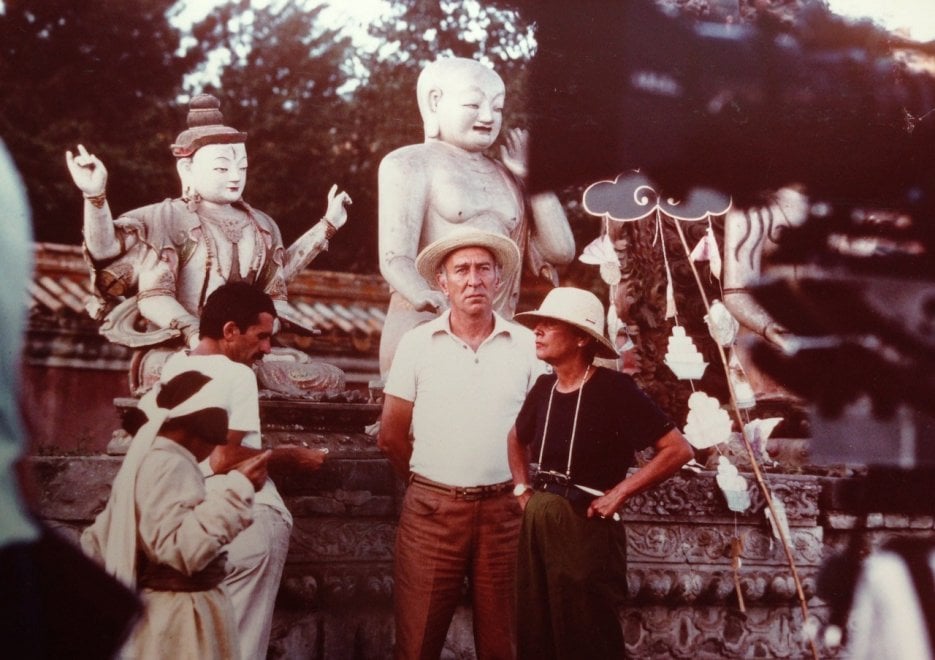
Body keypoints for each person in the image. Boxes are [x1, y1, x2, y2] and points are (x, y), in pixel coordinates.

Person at [65, 93, 352, 392]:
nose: (235, 177)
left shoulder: (263, 226)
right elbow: (110, 254)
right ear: (186, 169)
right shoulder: (166, 218)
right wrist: (95, 196)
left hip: (248, 352)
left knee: (329, 377)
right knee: (209, 372)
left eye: (242, 168)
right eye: (222, 168)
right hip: (182, 351)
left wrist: (326, 227)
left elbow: (274, 297)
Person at [377, 227, 546, 659]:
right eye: (462, 270)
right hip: (432, 515)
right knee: (417, 644)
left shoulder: (528, 346)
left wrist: (520, 492)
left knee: (504, 645)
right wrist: (434, 483)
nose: (474, 280)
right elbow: (391, 436)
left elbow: (544, 432)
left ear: (498, 279)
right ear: (443, 282)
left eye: (484, 269)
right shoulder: (417, 344)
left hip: (505, 516)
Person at [506, 287, 694, 660]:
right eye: (538, 324)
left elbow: (678, 449)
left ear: (581, 338)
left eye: (550, 324)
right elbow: (516, 437)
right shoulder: (544, 387)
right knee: (535, 631)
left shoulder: (614, 389)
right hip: (539, 519)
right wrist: (521, 489)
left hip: (586, 524)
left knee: (587, 634)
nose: (538, 331)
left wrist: (620, 492)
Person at [159, 281, 329, 660]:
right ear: (230, 331)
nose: (267, 349)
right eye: (261, 336)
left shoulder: (173, 367)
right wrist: (290, 456)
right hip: (242, 523)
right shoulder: (237, 374)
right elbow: (224, 457)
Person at [377, 56, 575, 376]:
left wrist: (533, 180)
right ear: (435, 102)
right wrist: (427, 297)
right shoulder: (409, 164)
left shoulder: (507, 177)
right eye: (473, 104)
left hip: (496, 326)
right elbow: (395, 257)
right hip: (429, 320)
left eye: (497, 108)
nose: (488, 117)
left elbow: (561, 251)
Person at [81, 369, 271, 660]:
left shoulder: (147, 459)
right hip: (179, 616)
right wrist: (239, 488)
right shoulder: (170, 464)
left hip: (163, 611)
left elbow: (98, 541)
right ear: (196, 432)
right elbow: (182, 550)